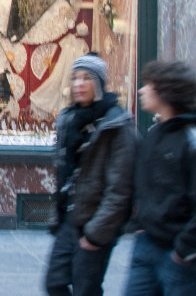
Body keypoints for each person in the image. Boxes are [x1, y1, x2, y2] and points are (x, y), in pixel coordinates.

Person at [125, 60, 196, 295]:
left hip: (186, 259)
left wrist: (184, 253)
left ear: (166, 91)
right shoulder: (155, 134)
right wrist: (139, 226)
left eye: (148, 84)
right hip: (148, 246)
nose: (141, 90)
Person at [44, 53, 136, 296]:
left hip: (96, 223)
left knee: (86, 289)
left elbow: (120, 188)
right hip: (70, 217)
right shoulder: (69, 118)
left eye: (86, 78)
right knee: (55, 282)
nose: (79, 85)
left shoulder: (117, 125)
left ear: (98, 82)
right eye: (75, 78)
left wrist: (96, 234)